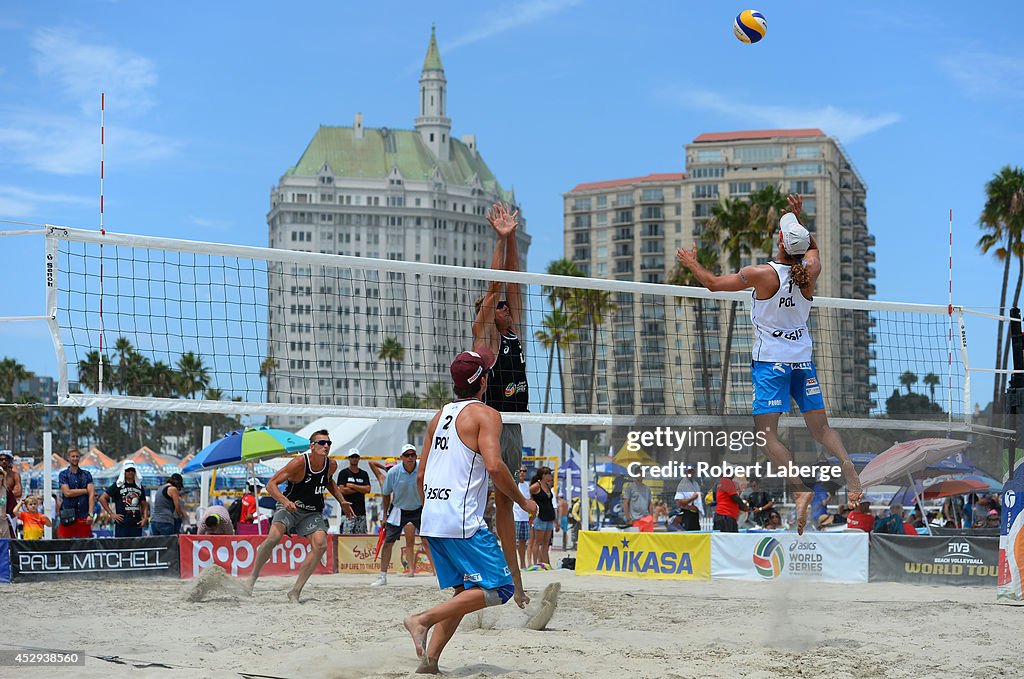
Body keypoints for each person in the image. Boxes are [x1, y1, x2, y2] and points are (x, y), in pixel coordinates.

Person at [676, 194, 864, 534]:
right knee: (821, 430)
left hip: (771, 363)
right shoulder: (811, 271)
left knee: (766, 437)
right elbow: (811, 250)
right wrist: (799, 221)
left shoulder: (761, 274)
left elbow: (714, 284)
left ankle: (799, 488)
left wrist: (691, 262)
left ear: (779, 241)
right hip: (802, 361)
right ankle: (848, 466)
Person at [405, 348, 538, 674]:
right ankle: (421, 619)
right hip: (460, 521)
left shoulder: (439, 416)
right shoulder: (486, 415)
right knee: (501, 589)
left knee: (464, 592)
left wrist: (433, 512)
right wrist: (523, 501)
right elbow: (494, 466)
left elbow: (421, 476)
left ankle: (430, 663)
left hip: (432, 519)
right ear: (484, 381)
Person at [471, 201, 530, 602]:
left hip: (513, 425)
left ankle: (518, 585)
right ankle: (475, 579)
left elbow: (510, 282)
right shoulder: (484, 337)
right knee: (478, 506)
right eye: (498, 306)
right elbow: (495, 285)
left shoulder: (514, 330)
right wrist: (500, 240)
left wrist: (511, 243)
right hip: (488, 425)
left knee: (506, 506)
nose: (505, 307)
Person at [244, 430, 354, 602]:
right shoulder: (299, 463)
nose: (326, 446)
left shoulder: (331, 465)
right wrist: (284, 501)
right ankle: (252, 578)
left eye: (329, 443)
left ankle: (295, 591)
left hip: (312, 511)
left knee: (320, 545)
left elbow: (329, 481)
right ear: (312, 446)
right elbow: (271, 485)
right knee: (274, 537)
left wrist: (342, 501)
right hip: (289, 506)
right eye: (322, 443)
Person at [371, 444, 430, 587]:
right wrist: (385, 516)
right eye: (407, 455)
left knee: (430, 542)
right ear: (401, 457)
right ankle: (382, 576)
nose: (410, 457)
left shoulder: (423, 469)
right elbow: (385, 495)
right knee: (388, 543)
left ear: (416, 456)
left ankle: (440, 575)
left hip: (419, 508)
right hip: (399, 509)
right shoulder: (393, 473)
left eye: (412, 455)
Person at [99, 461, 149, 538]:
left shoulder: (139, 486)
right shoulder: (118, 485)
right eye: (128, 470)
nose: (130, 472)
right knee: (122, 548)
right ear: (124, 472)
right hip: (122, 524)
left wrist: (145, 518)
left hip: (136, 524)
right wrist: (112, 514)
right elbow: (102, 498)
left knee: (135, 548)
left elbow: (144, 504)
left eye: (132, 470)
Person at [58, 448, 95, 539]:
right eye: (73, 456)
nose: (75, 458)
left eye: (77, 456)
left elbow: (92, 495)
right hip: (68, 512)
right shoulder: (63, 474)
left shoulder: (86, 474)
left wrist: (90, 514)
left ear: (80, 458)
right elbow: (67, 493)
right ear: (68, 458)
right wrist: (85, 490)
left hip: (83, 513)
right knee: (65, 542)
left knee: (85, 543)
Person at [337, 448, 371, 534]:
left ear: (359, 458)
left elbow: (368, 489)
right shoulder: (343, 473)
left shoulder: (364, 474)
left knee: (360, 539)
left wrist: (353, 486)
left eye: (356, 457)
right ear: (349, 458)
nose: (354, 459)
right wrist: (360, 489)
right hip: (347, 512)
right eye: (352, 457)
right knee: (346, 537)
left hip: (361, 512)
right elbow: (342, 490)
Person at [528, 467, 556, 567]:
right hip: (540, 516)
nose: (550, 476)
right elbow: (527, 492)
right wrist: (532, 502)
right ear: (543, 475)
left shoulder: (548, 486)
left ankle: (544, 563)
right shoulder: (537, 485)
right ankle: (535, 563)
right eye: (548, 474)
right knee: (537, 541)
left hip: (549, 515)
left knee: (546, 542)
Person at [512, 467, 532, 568]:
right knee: (514, 542)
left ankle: (523, 563)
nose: (522, 473)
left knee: (523, 542)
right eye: (520, 471)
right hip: (516, 517)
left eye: (524, 471)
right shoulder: (514, 484)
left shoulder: (527, 485)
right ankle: (513, 563)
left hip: (525, 517)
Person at [673, 466, 704, 531]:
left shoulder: (695, 484)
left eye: (692, 471)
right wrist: (692, 498)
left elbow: (696, 497)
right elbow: (679, 502)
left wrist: (699, 496)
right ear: (685, 472)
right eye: (689, 471)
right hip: (687, 514)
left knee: (696, 535)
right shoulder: (682, 485)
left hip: (695, 515)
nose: (690, 473)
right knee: (687, 535)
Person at [1, 452, 22, 537]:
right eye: (1, 459)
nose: (4, 461)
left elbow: (19, 492)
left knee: (11, 535)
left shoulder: (14, 475)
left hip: (10, 511)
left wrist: (6, 494)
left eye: (6, 459)